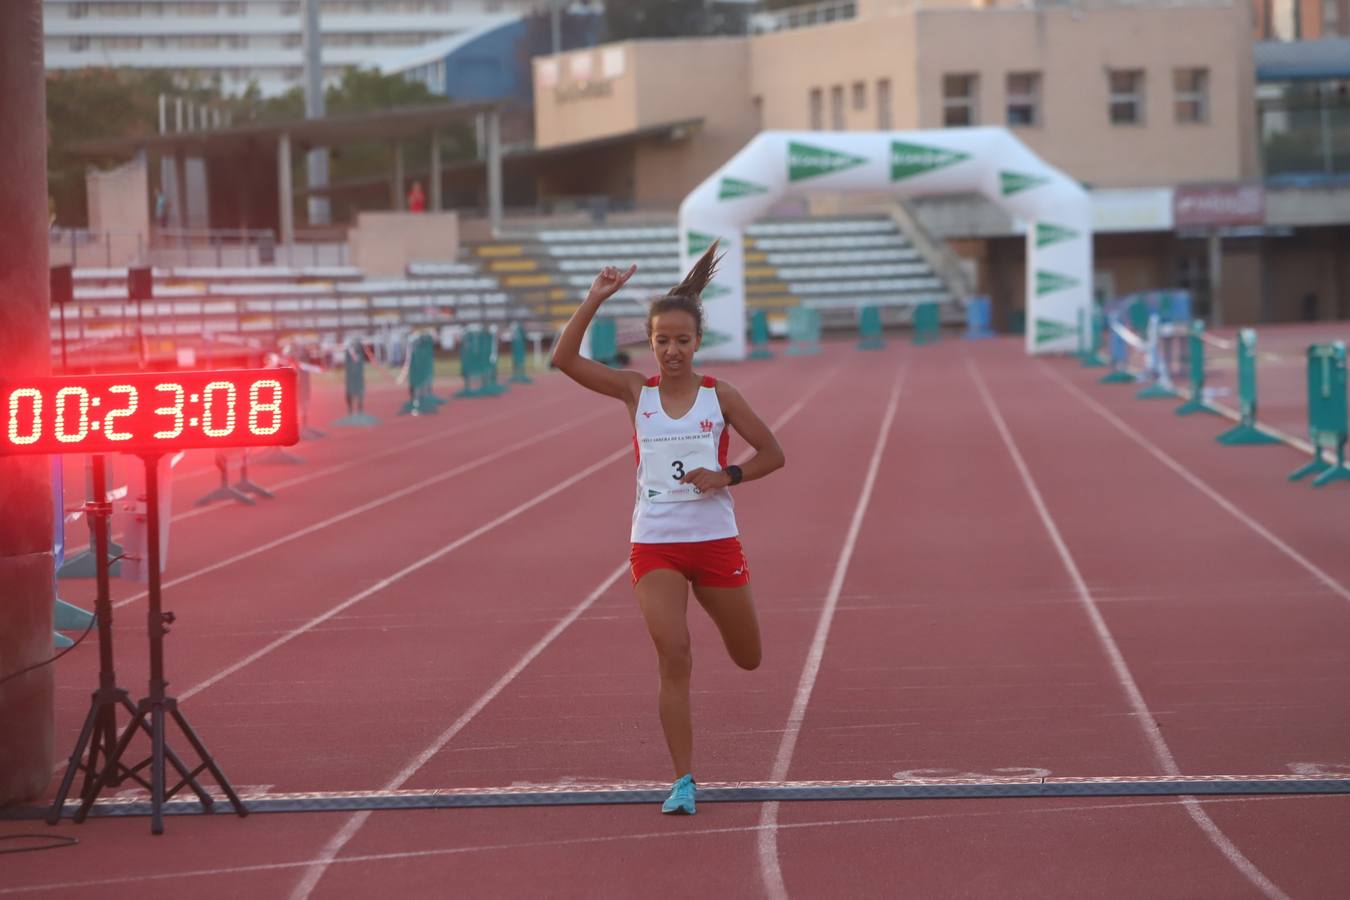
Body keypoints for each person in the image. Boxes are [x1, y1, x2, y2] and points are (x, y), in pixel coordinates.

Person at [551, 243, 786, 815]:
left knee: (749, 656)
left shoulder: (718, 396)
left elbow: (773, 454)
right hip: (655, 543)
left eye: (682, 340)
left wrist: (725, 474)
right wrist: (595, 298)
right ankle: (683, 780)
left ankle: (725, 632)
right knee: (673, 656)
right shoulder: (637, 391)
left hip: (714, 543)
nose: (672, 351)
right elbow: (564, 360)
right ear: (650, 343)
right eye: (662, 341)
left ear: (697, 342)